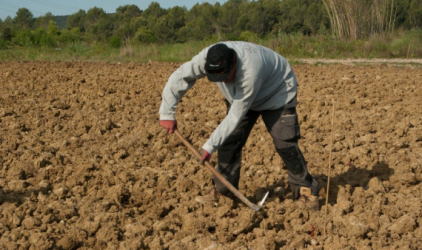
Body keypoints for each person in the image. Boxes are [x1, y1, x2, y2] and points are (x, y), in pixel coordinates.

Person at [159, 41, 319, 211]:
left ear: (233, 63)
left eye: (225, 76)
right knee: (229, 141)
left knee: (285, 143)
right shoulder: (206, 59)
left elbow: (235, 115)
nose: (223, 82)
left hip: (277, 93)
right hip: (239, 96)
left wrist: (209, 147)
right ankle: (223, 193)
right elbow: (180, 76)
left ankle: (306, 190)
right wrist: (167, 112)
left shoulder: (250, 70)